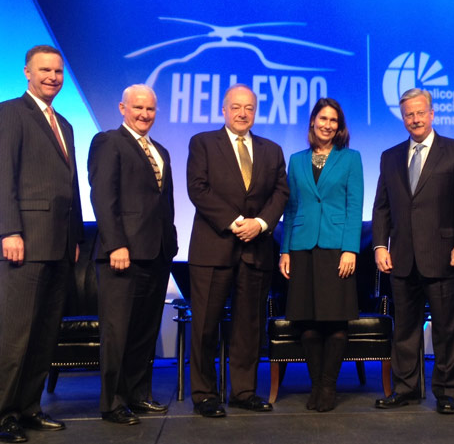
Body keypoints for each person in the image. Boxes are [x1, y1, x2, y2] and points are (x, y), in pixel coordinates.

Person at [372, 88, 454, 414]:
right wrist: (379, 245)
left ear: (432, 114)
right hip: (402, 257)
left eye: (420, 113)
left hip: (445, 255)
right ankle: (406, 389)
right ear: (402, 117)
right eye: (409, 114)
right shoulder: (390, 156)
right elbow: (382, 207)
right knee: (404, 328)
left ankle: (447, 393)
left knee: (447, 328)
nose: (415, 119)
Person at [187, 83, 289, 418]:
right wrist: (235, 222)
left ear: (255, 112)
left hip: (256, 250)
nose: (242, 113)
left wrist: (260, 223)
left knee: (249, 326)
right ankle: (204, 394)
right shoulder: (202, 143)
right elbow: (197, 189)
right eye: (236, 107)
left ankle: (244, 391)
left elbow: (280, 193)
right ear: (223, 110)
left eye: (249, 108)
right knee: (205, 325)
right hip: (213, 248)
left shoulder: (272, 150)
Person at [0, 45, 84, 443]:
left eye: (58, 71)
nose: (53, 77)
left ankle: (30, 407)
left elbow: (70, 186)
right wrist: (8, 230)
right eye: (44, 70)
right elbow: (3, 177)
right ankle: (3, 415)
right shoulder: (10, 112)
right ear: (27, 72)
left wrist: (76, 237)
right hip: (25, 243)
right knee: (15, 335)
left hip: (60, 245)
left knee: (44, 333)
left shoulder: (65, 124)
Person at [88, 84, 178, 425]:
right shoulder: (109, 141)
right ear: (123, 108)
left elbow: (164, 205)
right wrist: (116, 244)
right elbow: (103, 197)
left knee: (144, 331)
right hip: (121, 255)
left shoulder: (162, 151)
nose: (144, 115)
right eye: (138, 108)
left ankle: (139, 396)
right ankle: (112, 403)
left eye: (150, 109)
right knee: (118, 332)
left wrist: (170, 242)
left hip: (157, 255)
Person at [278, 98, 364, 412]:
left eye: (334, 120)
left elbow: (355, 207)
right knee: (308, 323)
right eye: (322, 118)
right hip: (302, 247)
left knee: (335, 322)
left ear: (340, 127)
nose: (327, 125)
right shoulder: (296, 159)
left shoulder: (351, 158)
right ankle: (316, 386)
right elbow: (291, 207)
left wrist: (350, 249)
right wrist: (285, 250)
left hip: (336, 248)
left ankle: (328, 387)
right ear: (313, 121)